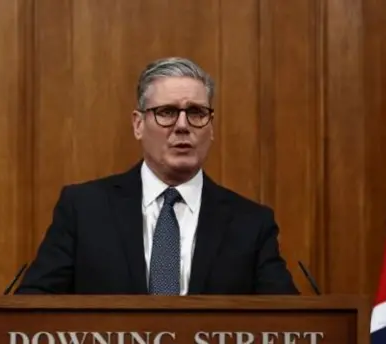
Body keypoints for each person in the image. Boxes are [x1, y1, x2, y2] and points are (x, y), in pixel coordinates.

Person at [15, 57, 299, 295]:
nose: (183, 126)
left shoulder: (251, 224)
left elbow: (290, 325)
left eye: (197, 113)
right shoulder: (84, 209)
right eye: (167, 112)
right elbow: (32, 309)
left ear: (211, 128)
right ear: (138, 125)